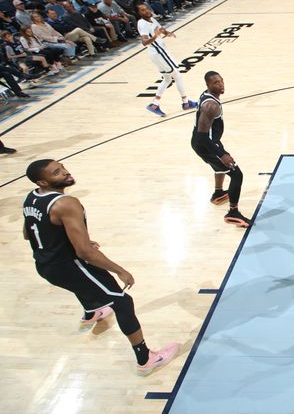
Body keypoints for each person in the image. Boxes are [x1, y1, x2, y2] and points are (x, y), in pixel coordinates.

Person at [22, 159, 179, 375]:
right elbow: (85, 252)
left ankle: (91, 313)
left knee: (84, 286)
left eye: (63, 167)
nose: (66, 173)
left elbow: (27, 233)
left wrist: (73, 239)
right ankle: (146, 359)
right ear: (43, 181)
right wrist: (120, 270)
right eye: (57, 172)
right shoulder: (67, 203)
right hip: (69, 265)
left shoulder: (31, 197)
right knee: (122, 302)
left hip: (44, 264)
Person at [190, 71, 251, 228]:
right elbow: (203, 136)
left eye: (221, 81)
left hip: (205, 142)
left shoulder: (208, 97)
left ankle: (218, 193)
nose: (221, 84)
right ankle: (233, 212)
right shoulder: (211, 105)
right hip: (206, 144)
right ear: (208, 85)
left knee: (218, 167)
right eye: (216, 82)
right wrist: (222, 154)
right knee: (237, 174)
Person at [136, 3, 197, 117]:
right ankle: (186, 103)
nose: (147, 11)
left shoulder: (152, 19)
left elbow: (160, 28)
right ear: (139, 13)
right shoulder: (142, 23)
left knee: (167, 79)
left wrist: (167, 33)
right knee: (177, 75)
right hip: (159, 52)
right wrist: (155, 36)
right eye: (143, 10)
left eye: (147, 8)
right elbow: (144, 42)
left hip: (157, 53)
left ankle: (155, 104)